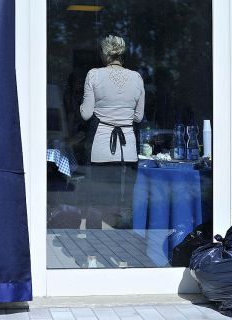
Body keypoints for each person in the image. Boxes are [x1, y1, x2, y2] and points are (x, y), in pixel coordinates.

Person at [80, 35, 145, 229]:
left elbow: (86, 114)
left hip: (102, 148)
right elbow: (139, 117)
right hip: (128, 151)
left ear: (104, 53)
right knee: (125, 205)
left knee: (98, 204)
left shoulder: (94, 74)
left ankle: (92, 255)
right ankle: (122, 257)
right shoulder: (137, 77)